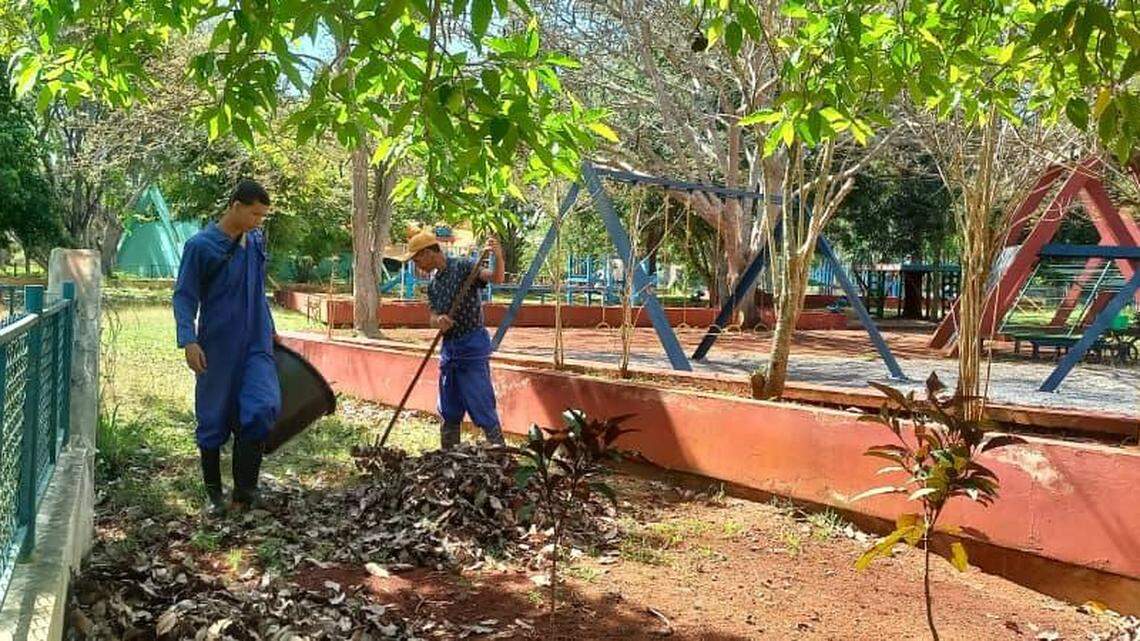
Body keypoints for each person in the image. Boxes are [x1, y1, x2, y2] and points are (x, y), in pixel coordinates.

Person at [173, 179, 281, 516]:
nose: (258, 221)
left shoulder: (255, 241)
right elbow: (184, 296)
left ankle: (245, 492)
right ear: (235, 206)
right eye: (254, 214)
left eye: (262, 216)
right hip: (218, 345)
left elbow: (258, 288)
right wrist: (188, 340)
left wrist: (271, 329)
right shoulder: (201, 247)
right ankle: (214, 495)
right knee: (213, 417)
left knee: (262, 406)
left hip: (257, 342)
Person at [399, 231, 506, 449]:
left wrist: (498, 256)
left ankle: (498, 449)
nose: (417, 265)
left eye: (417, 260)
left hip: (472, 346)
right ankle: (448, 452)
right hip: (450, 350)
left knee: (480, 400)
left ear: (429, 253)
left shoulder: (464, 267)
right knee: (449, 404)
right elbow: (432, 317)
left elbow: (496, 278)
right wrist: (439, 321)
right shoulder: (433, 285)